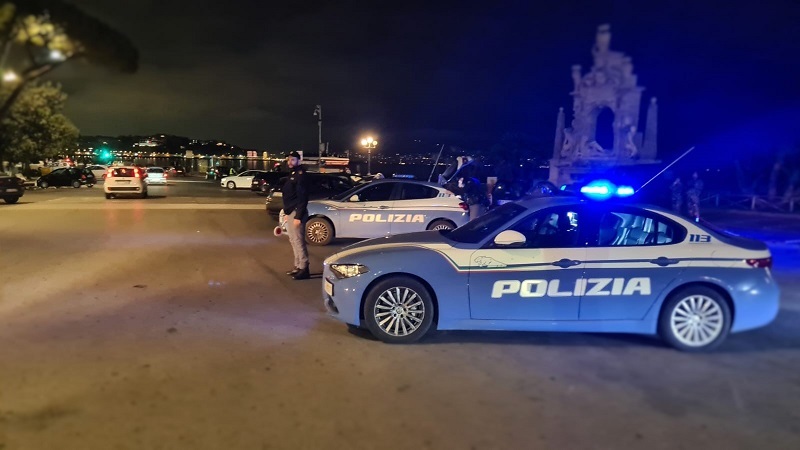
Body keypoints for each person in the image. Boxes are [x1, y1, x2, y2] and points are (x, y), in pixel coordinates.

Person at [282, 151, 310, 280]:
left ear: (299, 161)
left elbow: (302, 197)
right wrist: (287, 213)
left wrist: (298, 216)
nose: (290, 162)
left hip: (297, 212)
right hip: (291, 212)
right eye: (289, 159)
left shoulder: (301, 175)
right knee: (293, 240)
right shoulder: (292, 174)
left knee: (298, 241)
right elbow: (290, 195)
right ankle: (298, 266)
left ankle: (304, 268)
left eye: (293, 159)